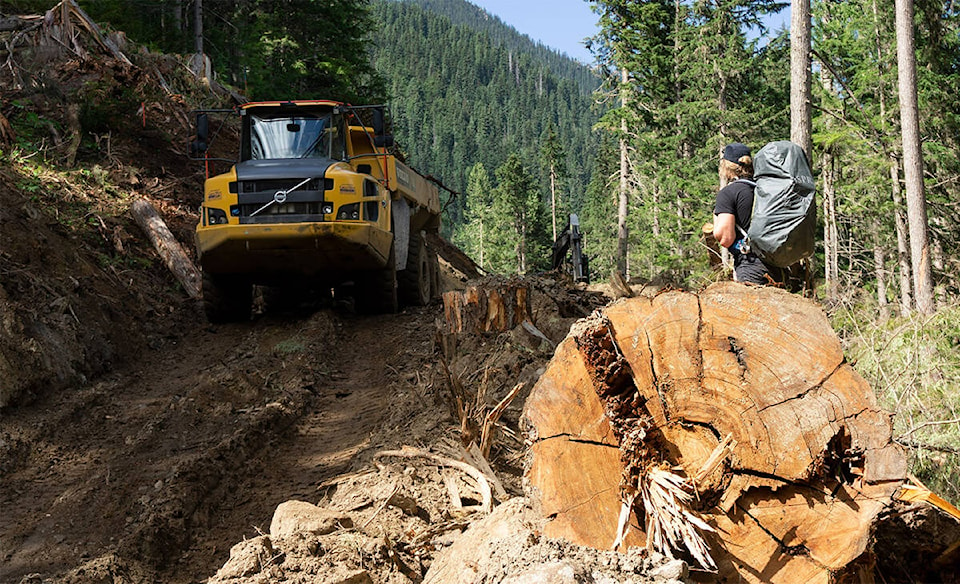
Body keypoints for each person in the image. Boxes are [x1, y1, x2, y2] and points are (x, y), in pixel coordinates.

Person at [712, 142, 786, 285]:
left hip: (750, 266)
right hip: (779, 266)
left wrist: (716, 223)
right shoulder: (765, 189)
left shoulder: (729, 193)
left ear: (726, 167)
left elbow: (726, 238)